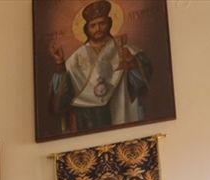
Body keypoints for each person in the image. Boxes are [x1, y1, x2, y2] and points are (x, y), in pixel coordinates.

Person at [48, 0, 152, 134]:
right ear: (86, 29)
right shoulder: (76, 57)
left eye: (102, 23)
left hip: (118, 109)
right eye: (93, 25)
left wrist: (132, 63)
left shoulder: (126, 50)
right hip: (87, 117)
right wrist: (60, 64)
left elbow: (141, 85)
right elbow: (62, 95)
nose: (98, 28)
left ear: (109, 24)